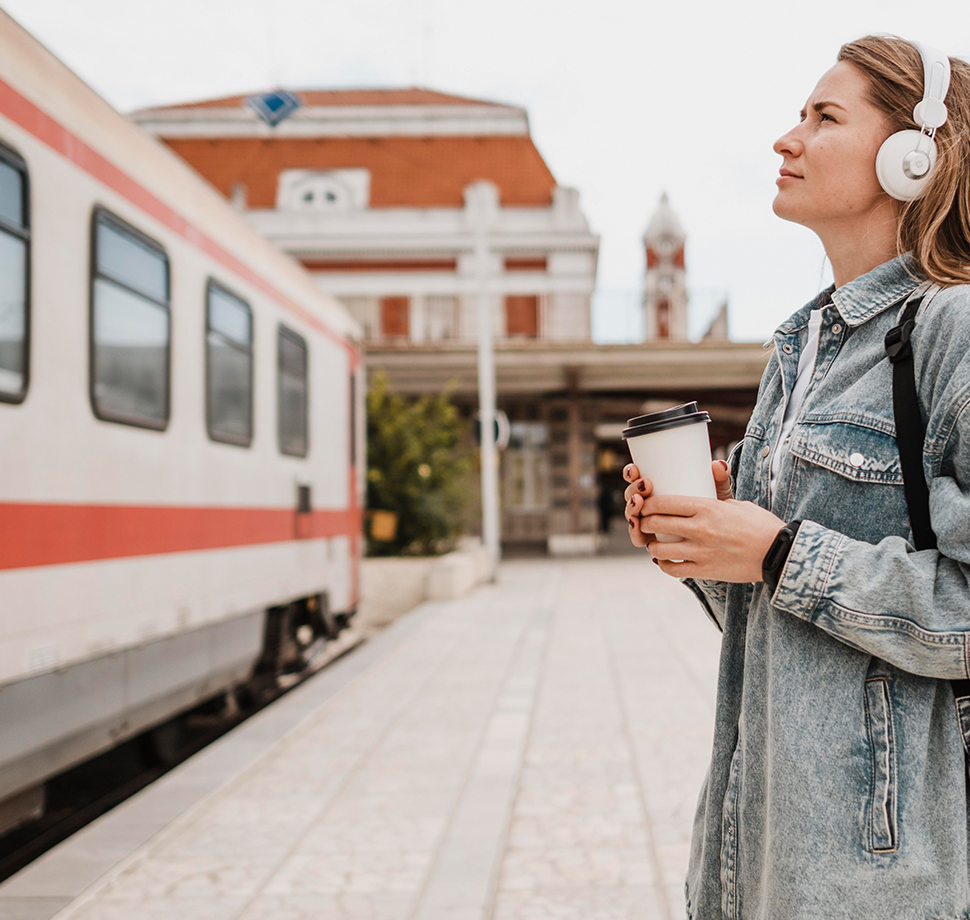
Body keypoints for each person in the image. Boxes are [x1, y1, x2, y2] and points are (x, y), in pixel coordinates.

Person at [623, 35, 970, 920]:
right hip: (761, 854)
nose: (787, 139)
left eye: (824, 117)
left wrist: (781, 553)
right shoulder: (801, 351)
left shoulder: (953, 332)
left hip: (890, 879)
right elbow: (777, 616)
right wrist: (708, 545)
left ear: (914, 153)